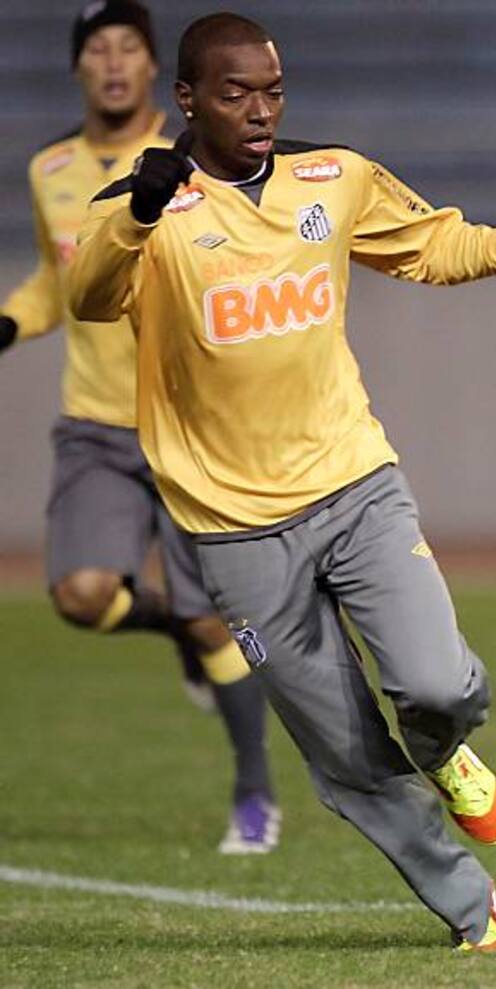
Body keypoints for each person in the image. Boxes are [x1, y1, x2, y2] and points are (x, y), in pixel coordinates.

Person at [68, 11, 496, 952]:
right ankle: (466, 904)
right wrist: (138, 211)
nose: (260, 109)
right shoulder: (148, 209)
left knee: (437, 685)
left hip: (354, 483)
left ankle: (446, 747)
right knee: (344, 749)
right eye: (236, 92)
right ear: (190, 99)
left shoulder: (335, 177)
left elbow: (434, 245)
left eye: (273, 90)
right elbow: (86, 295)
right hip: (234, 533)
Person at [0, 0, 279, 856]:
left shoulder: (205, 154)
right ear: (79, 67)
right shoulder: (51, 167)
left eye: (129, 47)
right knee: (81, 596)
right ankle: (182, 638)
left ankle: (254, 793)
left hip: (187, 425)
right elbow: (62, 281)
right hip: (95, 422)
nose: (114, 63)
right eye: (98, 49)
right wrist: (11, 320)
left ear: (157, 69)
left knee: (217, 621)